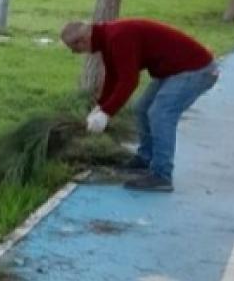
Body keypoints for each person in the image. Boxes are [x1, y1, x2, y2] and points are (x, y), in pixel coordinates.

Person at [60, 18, 219, 192]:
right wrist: (100, 107)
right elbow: (113, 76)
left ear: (82, 41)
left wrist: (106, 113)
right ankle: (145, 160)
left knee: (161, 114)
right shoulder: (107, 38)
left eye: (74, 49)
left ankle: (162, 175)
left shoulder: (117, 37)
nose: (74, 53)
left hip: (196, 70)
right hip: (175, 71)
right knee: (142, 109)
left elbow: (129, 81)